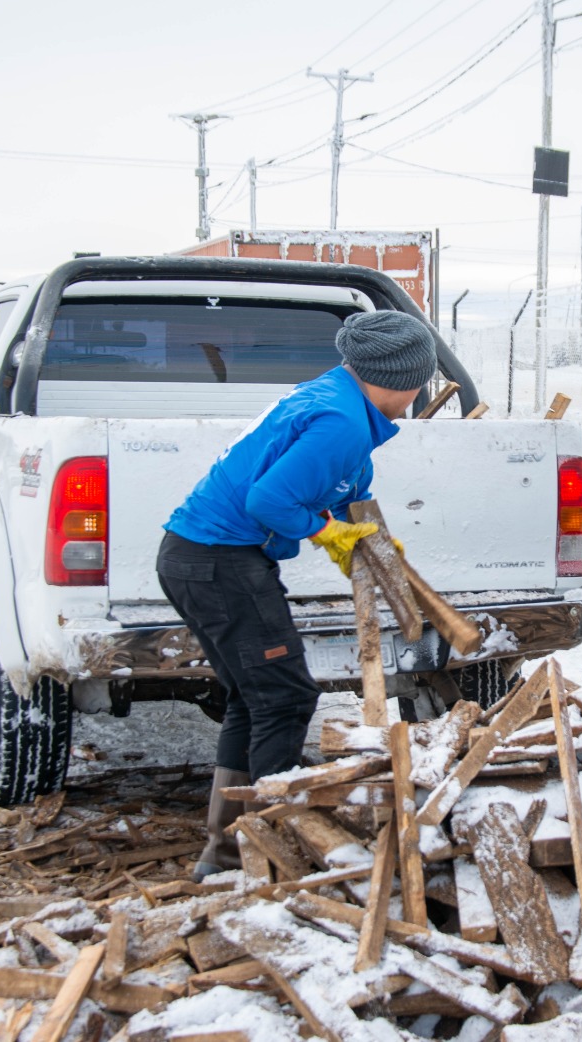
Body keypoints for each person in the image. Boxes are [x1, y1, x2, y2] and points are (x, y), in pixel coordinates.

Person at [156, 309, 438, 880]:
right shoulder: (342, 421)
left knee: (255, 698)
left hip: (199, 557)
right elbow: (268, 502)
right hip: (218, 561)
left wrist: (357, 534)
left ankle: (229, 849)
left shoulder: (337, 398)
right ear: (399, 377)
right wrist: (327, 534)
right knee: (283, 699)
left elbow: (331, 486)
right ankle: (270, 849)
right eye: (419, 382)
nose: (418, 395)